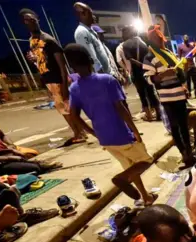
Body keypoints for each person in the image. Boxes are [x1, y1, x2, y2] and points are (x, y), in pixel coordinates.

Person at [65, 44, 157, 207]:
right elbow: (121, 109)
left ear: (72, 66)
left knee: (130, 167)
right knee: (146, 161)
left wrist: (93, 133)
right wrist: (135, 131)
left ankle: (145, 197)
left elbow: (73, 115)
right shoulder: (107, 80)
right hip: (121, 134)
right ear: (91, 61)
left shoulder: (74, 88)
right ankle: (121, 179)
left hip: (104, 138)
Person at [20, 9, 86, 145]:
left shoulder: (48, 40)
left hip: (57, 79)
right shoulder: (32, 40)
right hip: (48, 79)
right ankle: (79, 132)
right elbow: (41, 60)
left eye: (33, 19)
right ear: (24, 23)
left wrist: (64, 85)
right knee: (62, 108)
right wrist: (33, 59)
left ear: (38, 19)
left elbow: (62, 65)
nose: (31, 23)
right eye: (27, 20)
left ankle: (80, 133)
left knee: (66, 109)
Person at [143, 25, 194, 167]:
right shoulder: (150, 57)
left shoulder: (169, 53)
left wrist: (184, 86)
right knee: (175, 127)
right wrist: (162, 75)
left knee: (184, 126)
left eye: (161, 39)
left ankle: (189, 153)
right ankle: (184, 154)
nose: (161, 42)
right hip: (167, 98)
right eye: (158, 39)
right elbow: (147, 78)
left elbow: (180, 74)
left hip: (179, 95)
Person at [121, 26, 161, 122]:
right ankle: (159, 114)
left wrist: (140, 65)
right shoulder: (143, 42)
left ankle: (149, 116)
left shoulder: (126, 44)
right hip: (147, 71)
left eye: (124, 32)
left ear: (128, 33)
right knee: (151, 93)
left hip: (137, 73)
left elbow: (130, 59)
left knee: (142, 95)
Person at [73, 3, 111, 75]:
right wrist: (102, 76)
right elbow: (92, 58)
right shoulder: (82, 32)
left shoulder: (91, 31)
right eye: (90, 14)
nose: (93, 16)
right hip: (101, 76)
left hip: (107, 73)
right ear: (83, 14)